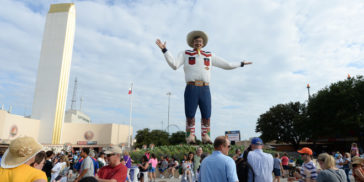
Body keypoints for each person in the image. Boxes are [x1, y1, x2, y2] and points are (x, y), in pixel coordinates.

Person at [156, 31, 252, 144]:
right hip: (191, 87)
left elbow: (227, 65)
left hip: (205, 88)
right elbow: (174, 65)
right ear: (192, 43)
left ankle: (206, 137)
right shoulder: (185, 53)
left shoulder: (209, 55)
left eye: (200, 41)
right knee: (190, 115)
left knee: (207, 115)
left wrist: (240, 63)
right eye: (196, 41)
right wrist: (165, 50)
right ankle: (190, 137)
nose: (198, 43)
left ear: (203, 43)